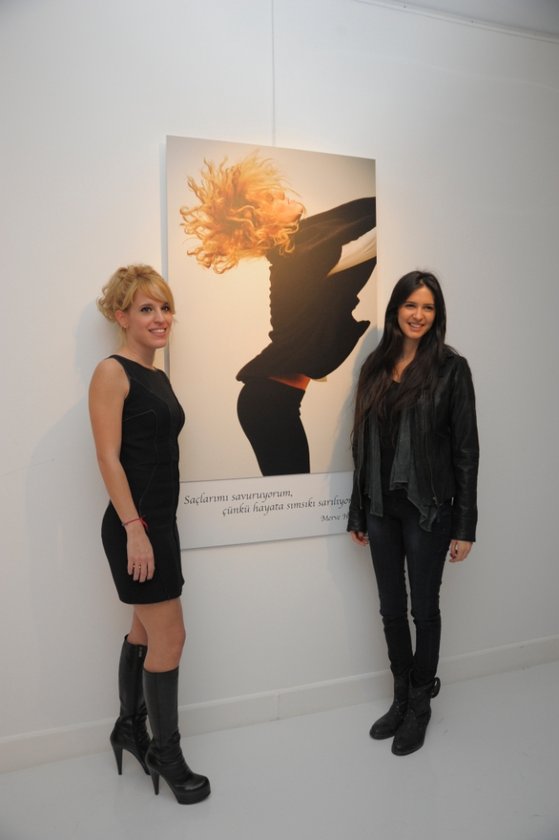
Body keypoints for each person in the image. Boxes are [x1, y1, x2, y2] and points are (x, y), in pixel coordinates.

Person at [89, 264, 210, 804]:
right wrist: (135, 529)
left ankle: (128, 729)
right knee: (171, 638)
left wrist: (150, 526)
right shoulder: (112, 372)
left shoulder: (155, 375)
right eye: (146, 309)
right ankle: (167, 754)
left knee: (144, 633)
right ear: (122, 316)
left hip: (160, 523)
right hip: (135, 527)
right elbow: (108, 457)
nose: (160, 318)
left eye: (164, 307)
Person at [347, 270, 479, 755]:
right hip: (381, 508)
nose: (418, 315)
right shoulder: (376, 366)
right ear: (396, 309)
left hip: (429, 510)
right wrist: (358, 511)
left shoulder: (451, 369)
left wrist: (464, 525)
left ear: (436, 314)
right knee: (390, 609)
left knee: (424, 610)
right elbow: (361, 444)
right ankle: (401, 696)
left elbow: (466, 451)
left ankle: (421, 704)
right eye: (410, 305)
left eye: (428, 307)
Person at [180, 152, 376, 475]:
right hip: (268, 402)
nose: (283, 194)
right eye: (272, 199)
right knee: (292, 493)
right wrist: (395, 214)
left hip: (271, 401)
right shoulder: (300, 258)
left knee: (291, 491)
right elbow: (369, 244)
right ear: (262, 222)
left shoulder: (298, 253)